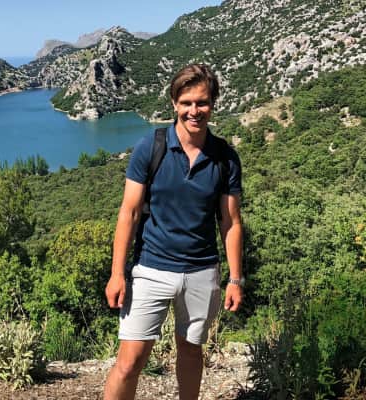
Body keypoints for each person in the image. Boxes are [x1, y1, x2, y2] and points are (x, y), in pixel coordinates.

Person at [104, 63, 243, 400]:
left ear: (212, 103)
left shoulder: (225, 157)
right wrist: (117, 273)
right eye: (186, 103)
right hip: (151, 269)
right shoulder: (151, 147)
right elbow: (129, 212)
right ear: (174, 104)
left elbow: (230, 222)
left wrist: (236, 279)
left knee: (191, 353)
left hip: (201, 272)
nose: (194, 111)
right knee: (129, 362)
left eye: (202, 102)